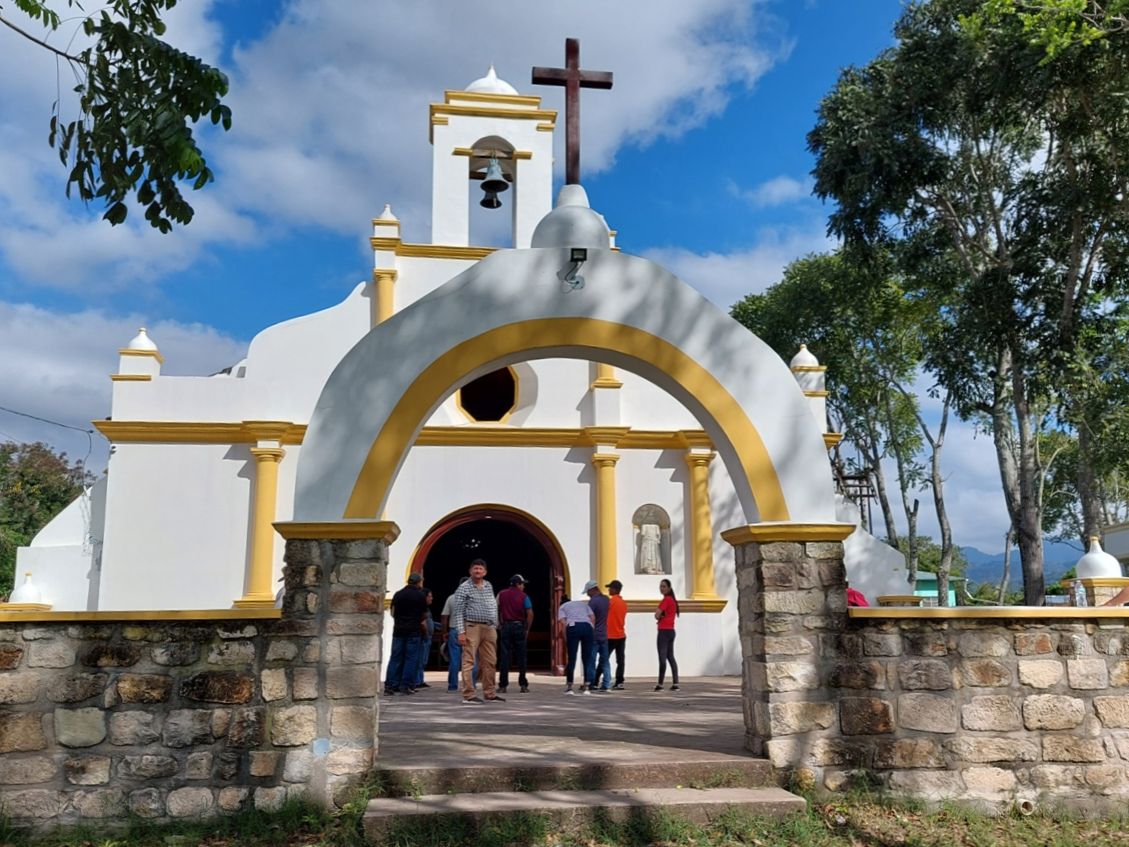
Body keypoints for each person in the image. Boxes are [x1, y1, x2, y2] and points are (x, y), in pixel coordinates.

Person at [449, 558, 503, 704]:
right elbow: (459, 611)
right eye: (475, 568)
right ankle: (468, 694)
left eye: (480, 569)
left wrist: (495, 623)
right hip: (472, 626)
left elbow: (492, 604)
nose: (477, 571)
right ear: (470, 571)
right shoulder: (464, 588)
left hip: (489, 627)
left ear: (485, 572)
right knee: (468, 661)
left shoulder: (488, 585)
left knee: (490, 661)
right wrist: (461, 632)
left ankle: (490, 692)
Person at [384, 572, 428, 695]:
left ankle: (390, 685)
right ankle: (406, 685)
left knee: (395, 658)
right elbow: (423, 616)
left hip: (398, 631)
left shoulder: (398, 595)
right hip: (413, 631)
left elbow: (392, 613)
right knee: (411, 659)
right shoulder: (420, 596)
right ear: (419, 581)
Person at [497, 574, 533, 694]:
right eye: (522, 584)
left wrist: (499, 624)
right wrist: (527, 628)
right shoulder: (524, 596)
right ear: (518, 584)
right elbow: (530, 613)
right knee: (521, 657)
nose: (523, 587)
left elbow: (496, 609)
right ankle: (523, 684)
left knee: (504, 657)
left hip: (506, 626)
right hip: (519, 626)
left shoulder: (501, 594)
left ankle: (503, 685)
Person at [441, 577, 477, 692]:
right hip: (470, 630)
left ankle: (452, 686)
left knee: (455, 660)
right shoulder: (474, 599)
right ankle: (471, 685)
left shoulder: (451, 598)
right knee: (472, 659)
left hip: (455, 630)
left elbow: (444, 617)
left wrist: (444, 632)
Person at [557, 588, 595, 695]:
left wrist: (566, 638)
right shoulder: (582, 604)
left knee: (572, 658)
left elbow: (563, 623)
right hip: (587, 627)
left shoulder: (562, 607)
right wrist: (591, 628)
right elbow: (592, 617)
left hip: (573, 627)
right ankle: (587, 686)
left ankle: (570, 687)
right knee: (586, 658)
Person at [654, 578, 680, 691]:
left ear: (669, 588)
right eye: (661, 586)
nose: (662, 588)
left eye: (664, 586)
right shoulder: (673, 601)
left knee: (662, 658)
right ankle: (676, 683)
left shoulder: (666, 600)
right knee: (671, 657)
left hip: (663, 631)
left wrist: (660, 615)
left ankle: (660, 684)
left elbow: (656, 614)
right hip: (671, 631)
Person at [586, 579, 611, 693]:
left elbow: (589, 618)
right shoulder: (606, 600)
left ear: (593, 589)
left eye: (588, 591)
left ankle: (591, 683)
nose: (587, 594)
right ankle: (606, 684)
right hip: (604, 634)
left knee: (591, 660)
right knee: (605, 661)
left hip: (594, 635)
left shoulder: (592, 602)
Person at [605, 579, 627, 689]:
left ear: (614, 589)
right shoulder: (623, 603)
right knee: (620, 660)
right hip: (621, 635)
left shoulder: (610, 602)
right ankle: (620, 681)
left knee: (604, 659)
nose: (608, 589)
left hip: (610, 635)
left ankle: (595, 680)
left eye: (610, 588)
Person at [415, 590, 436, 688]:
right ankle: (417, 681)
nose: (431, 598)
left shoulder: (426, 609)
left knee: (424, 660)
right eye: (430, 596)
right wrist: (426, 634)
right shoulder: (422, 608)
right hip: (424, 637)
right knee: (420, 659)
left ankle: (420, 679)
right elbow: (423, 623)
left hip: (427, 637)